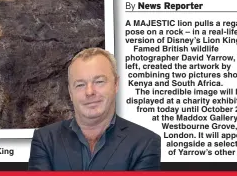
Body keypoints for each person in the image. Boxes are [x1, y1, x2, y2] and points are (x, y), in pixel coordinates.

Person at [28, 47, 161, 171]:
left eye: (99, 82)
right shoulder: (45, 140)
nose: (90, 92)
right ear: (70, 93)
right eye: (80, 84)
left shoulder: (145, 143)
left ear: (116, 85)